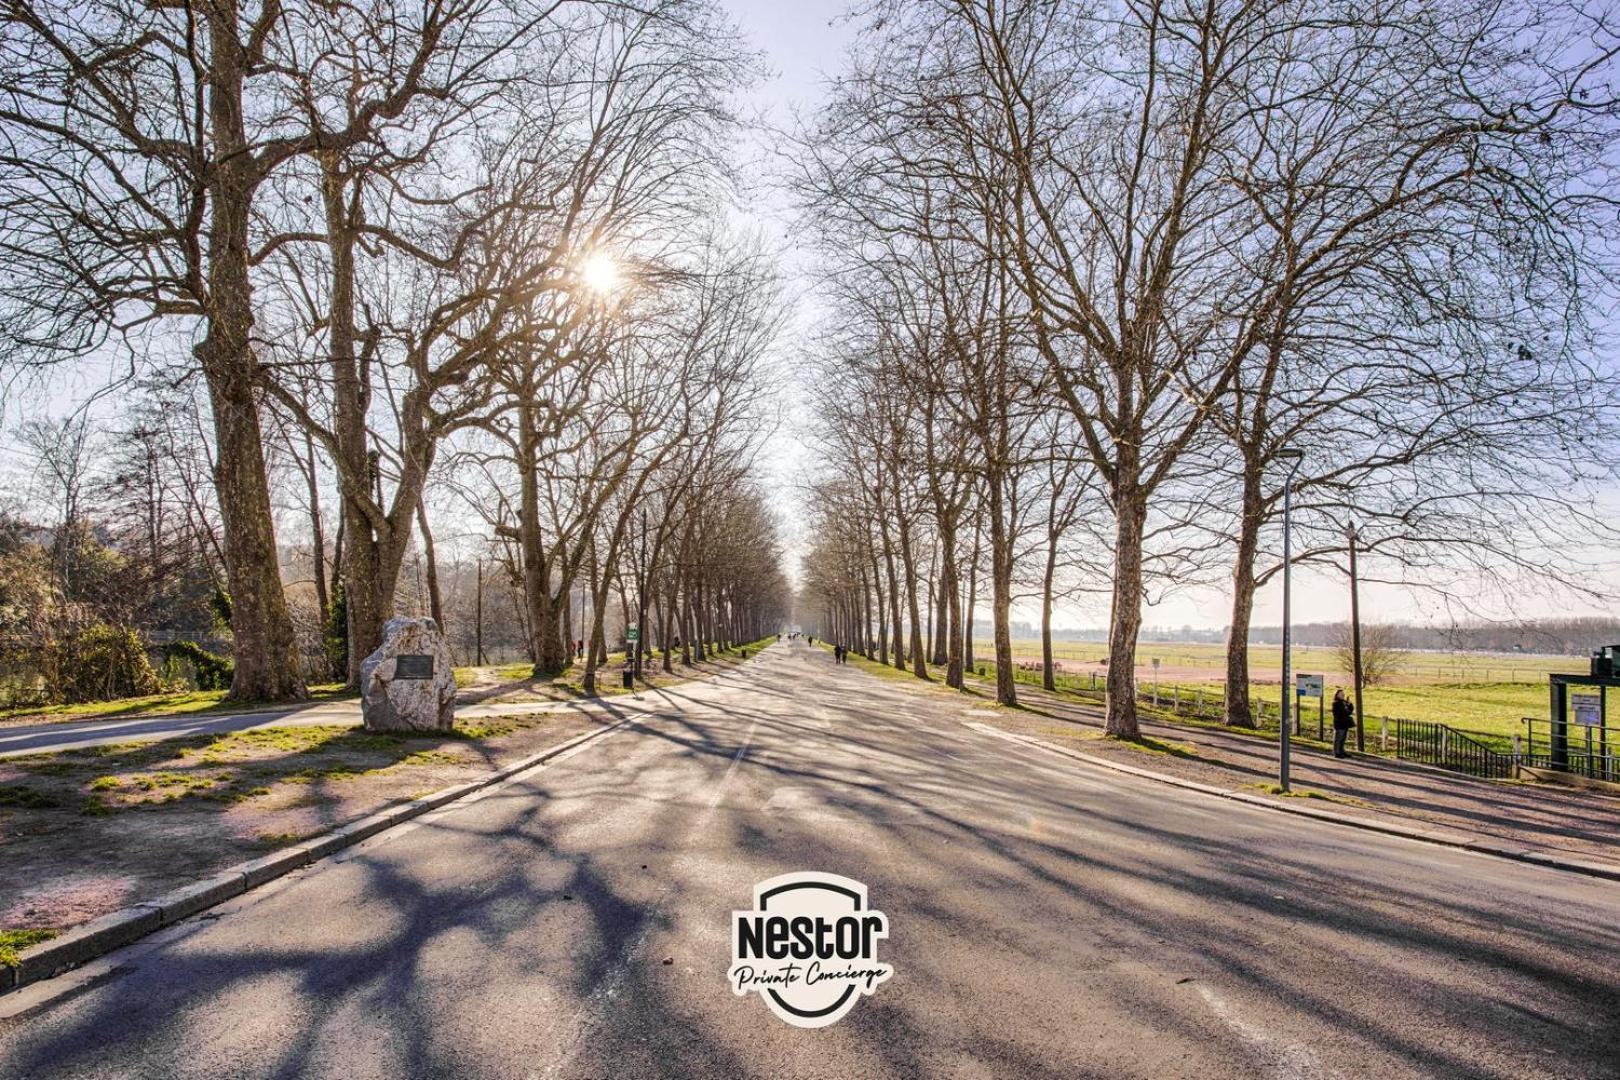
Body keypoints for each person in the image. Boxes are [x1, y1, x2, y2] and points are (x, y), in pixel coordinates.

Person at [1331, 689, 1355, 758]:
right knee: (1339, 738)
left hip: (1345, 723)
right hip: (1339, 723)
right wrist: (1345, 710)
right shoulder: (1335, 703)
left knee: (1343, 738)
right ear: (1337, 695)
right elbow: (1338, 713)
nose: (1343, 695)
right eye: (1341, 694)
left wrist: (1350, 705)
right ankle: (1337, 752)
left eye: (1343, 694)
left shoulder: (1344, 702)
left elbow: (1350, 711)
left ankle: (1342, 751)